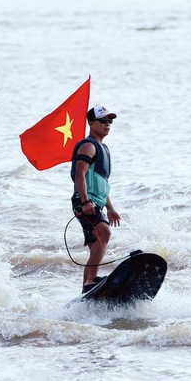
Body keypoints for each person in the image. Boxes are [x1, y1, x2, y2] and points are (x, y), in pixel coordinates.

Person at [71, 105, 122, 293]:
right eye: (103, 121)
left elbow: (101, 184)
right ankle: (91, 281)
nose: (107, 124)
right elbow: (80, 174)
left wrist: (110, 207)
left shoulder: (103, 148)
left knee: (96, 245)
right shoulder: (88, 145)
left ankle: (86, 289)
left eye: (110, 121)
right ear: (91, 123)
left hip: (96, 204)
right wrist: (84, 202)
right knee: (104, 233)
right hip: (85, 202)